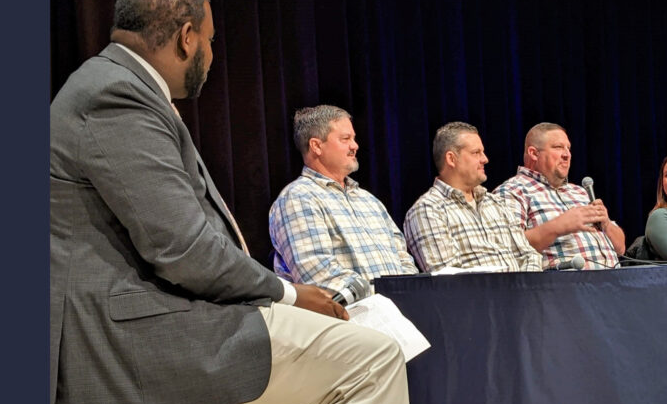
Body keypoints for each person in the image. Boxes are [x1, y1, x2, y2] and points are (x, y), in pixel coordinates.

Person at [51, 0, 431, 404]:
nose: (210, 52)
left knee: (358, 349)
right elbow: (183, 250)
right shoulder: (115, 94)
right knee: (371, 357)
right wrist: (286, 293)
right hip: (134, 331)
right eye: (209, 38)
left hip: (155, 312)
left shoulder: (117, 86)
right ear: (183, 36)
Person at [267, 104, 420, 305]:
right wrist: (388, 299)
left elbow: (403, 257)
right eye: (345, 139)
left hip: (400, 308)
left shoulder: (368, 200)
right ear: (316, 146)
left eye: (353, 139)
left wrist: (410, 295)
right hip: (351, 317)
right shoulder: (298, 198)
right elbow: (317, 276)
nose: (355, 146)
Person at [403, 122, 545, 273]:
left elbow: (529, 256)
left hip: (522, 292)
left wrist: (526, 289)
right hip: (481, 295)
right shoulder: (428, 210)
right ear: (451, 159)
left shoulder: (496, 203)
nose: (485, 159)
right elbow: (448, 278)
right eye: (476, 153)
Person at [496, 122, 625, 270]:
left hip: (613, 284)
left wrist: (607, 224)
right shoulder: (512, 191)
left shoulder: (580, 191)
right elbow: (508, 249)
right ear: (533, 153)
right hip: (563, 287)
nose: (567, 154)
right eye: (558, 147)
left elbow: (621, 249)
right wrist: (559, 226)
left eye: (568, 148)